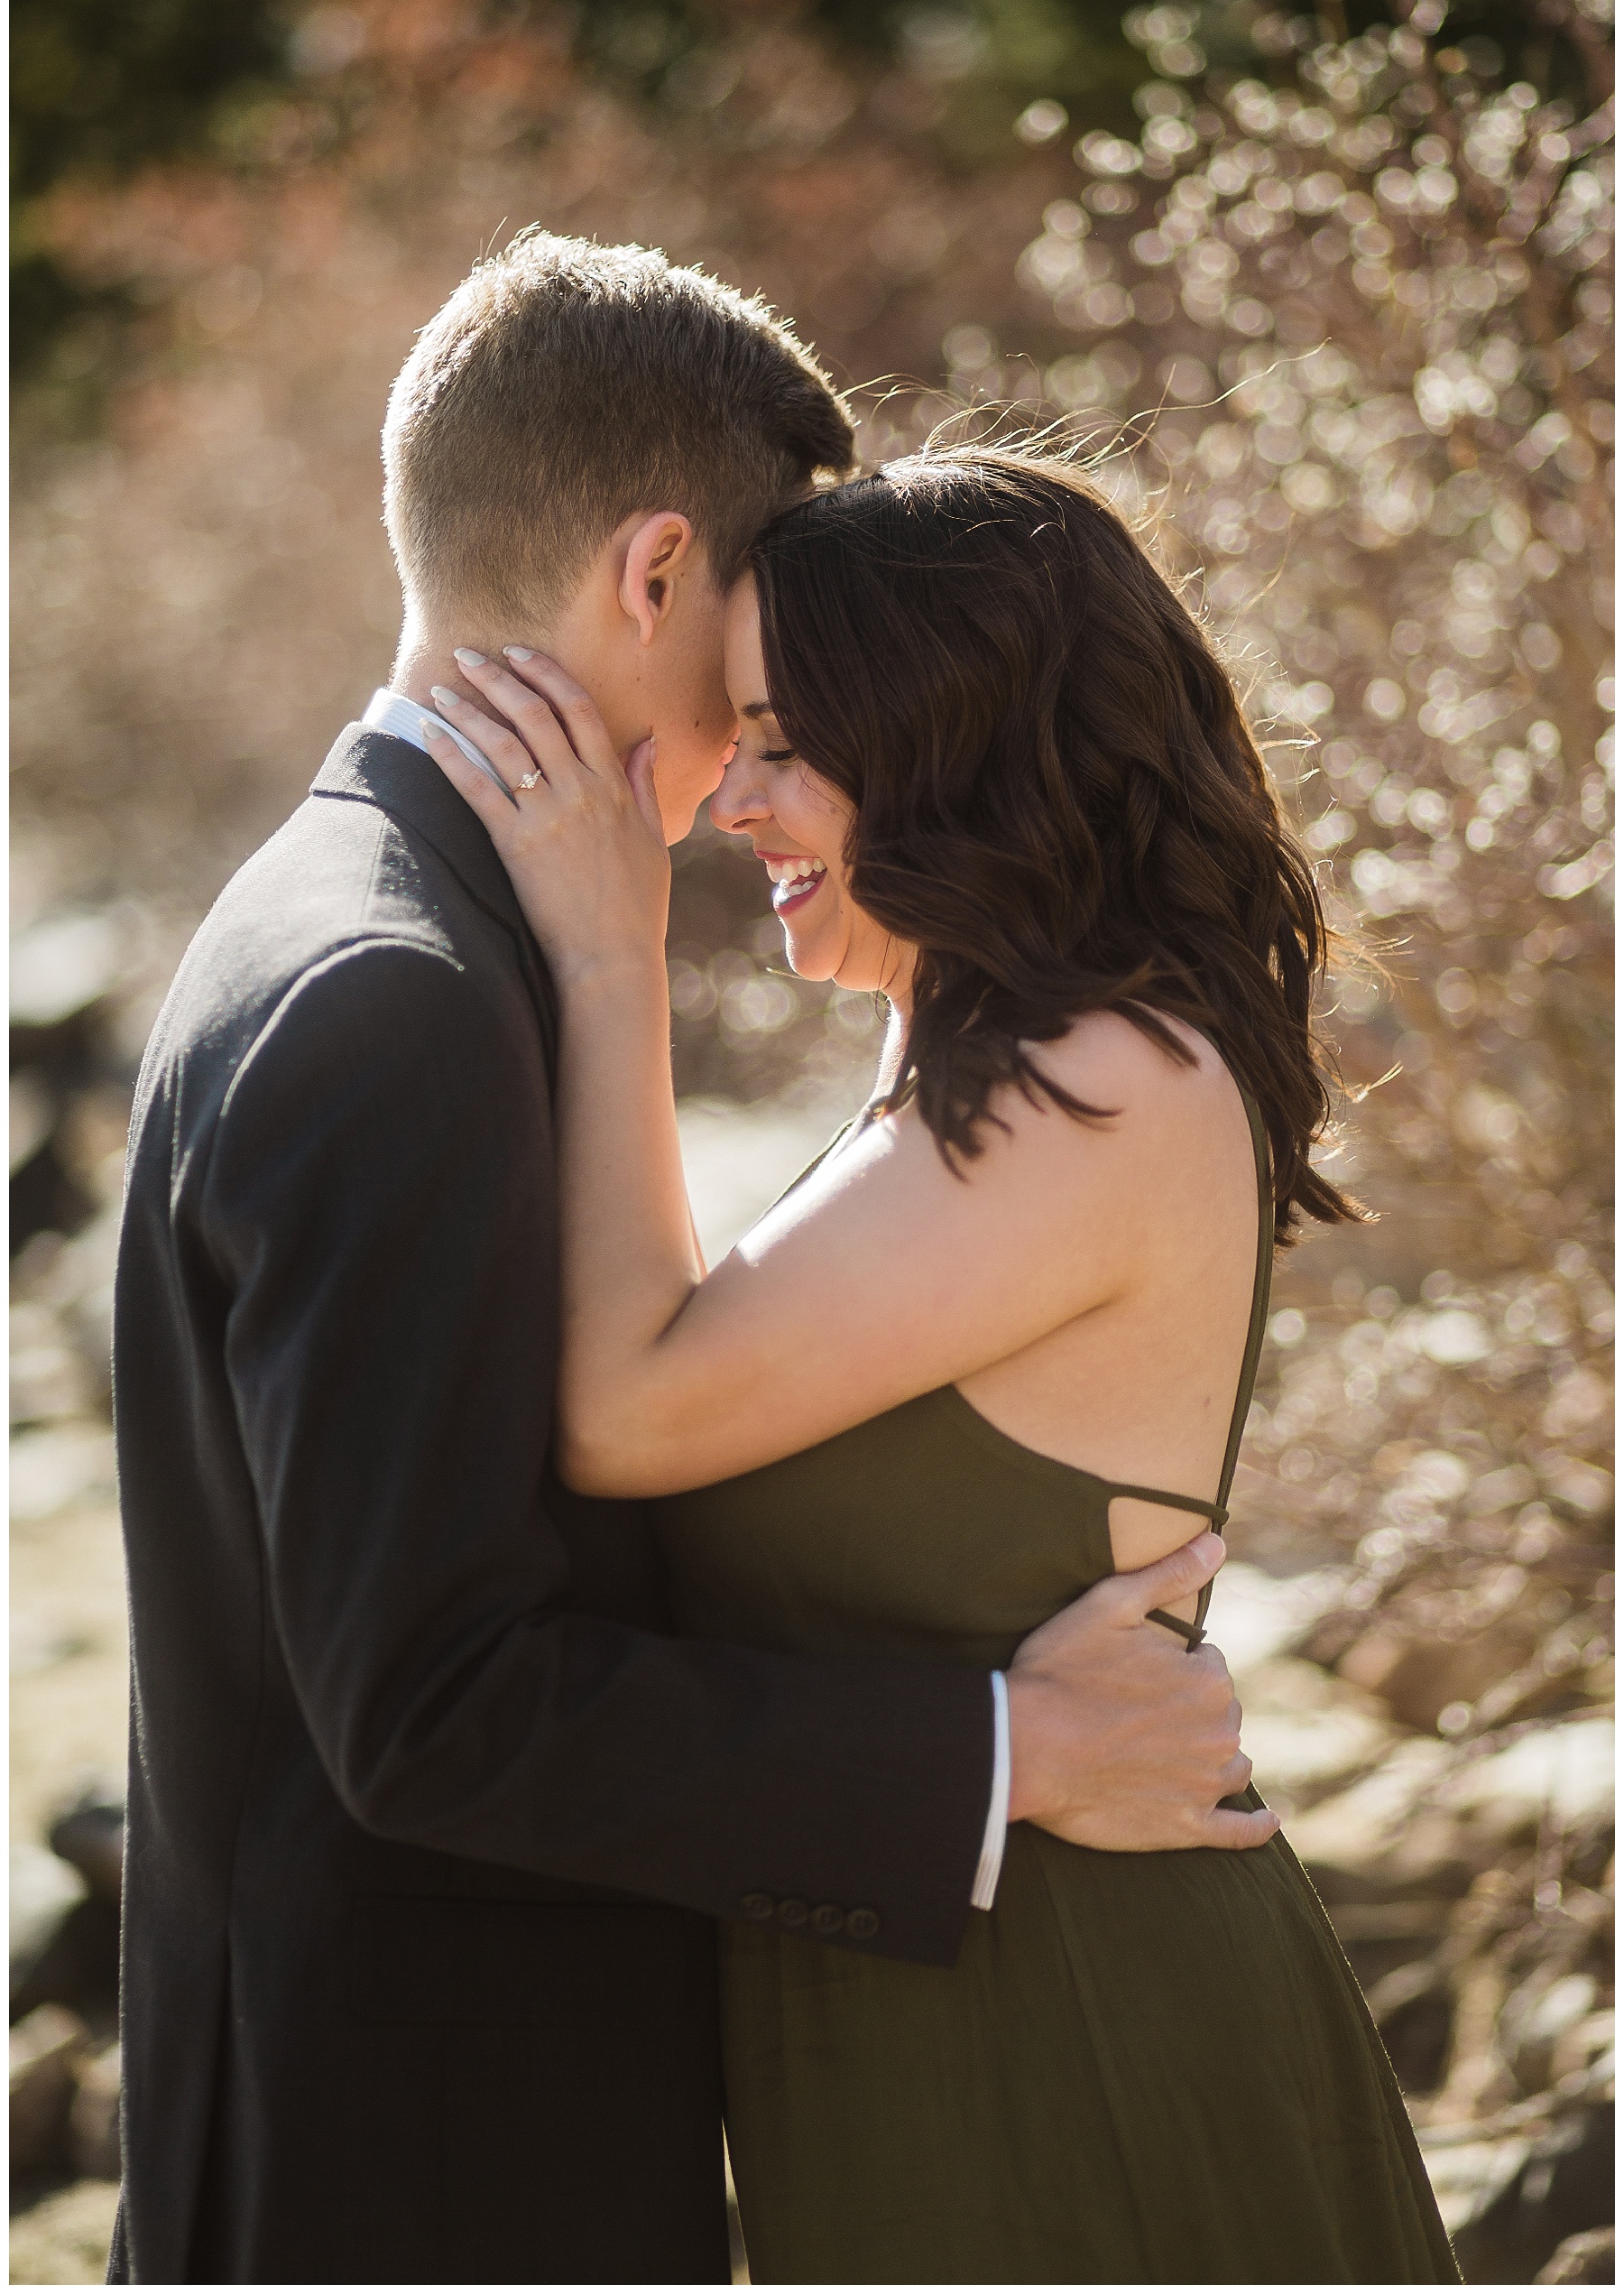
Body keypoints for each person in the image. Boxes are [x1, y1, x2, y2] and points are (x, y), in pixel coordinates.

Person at [110, 236, 1269, 2286]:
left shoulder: (357, 920)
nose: (745, 770)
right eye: (750, 680)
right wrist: (998, 1750)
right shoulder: (399, 992)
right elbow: (435, 1704)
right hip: (431, 2176)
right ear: (653, 574)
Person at [426, 440, 1462, 2285]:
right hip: (919, 1994)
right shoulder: (955, 1061)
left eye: (782, 738)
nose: (729, 796)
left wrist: (606, 952)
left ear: (953, 745)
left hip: (1082, 2033)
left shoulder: (1108, 1081)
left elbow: (634, 1405)